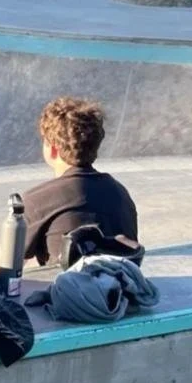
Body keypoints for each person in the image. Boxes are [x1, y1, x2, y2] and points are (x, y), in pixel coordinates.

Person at [23, 97, 140, 267]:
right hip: (118, 288)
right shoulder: (120, 193)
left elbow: (9, 269)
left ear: (53, 148)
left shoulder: (37, 201)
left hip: (67, 290)